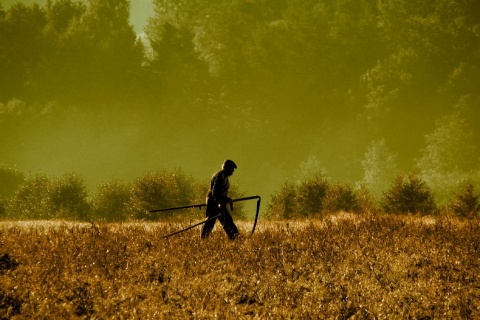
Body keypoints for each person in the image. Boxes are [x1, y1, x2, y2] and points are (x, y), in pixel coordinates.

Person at [201, 160, 239, 240]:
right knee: (210, 222)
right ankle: (203, 239)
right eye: (232, 169)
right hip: (213, 203)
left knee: (227, 221)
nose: (233, 171)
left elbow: (221, 193)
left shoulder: (224, 176)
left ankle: (234, 237)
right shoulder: (219, 176)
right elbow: (215, 192)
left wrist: (227, 199)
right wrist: (220, 202)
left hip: (218, 203)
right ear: (227, 168)